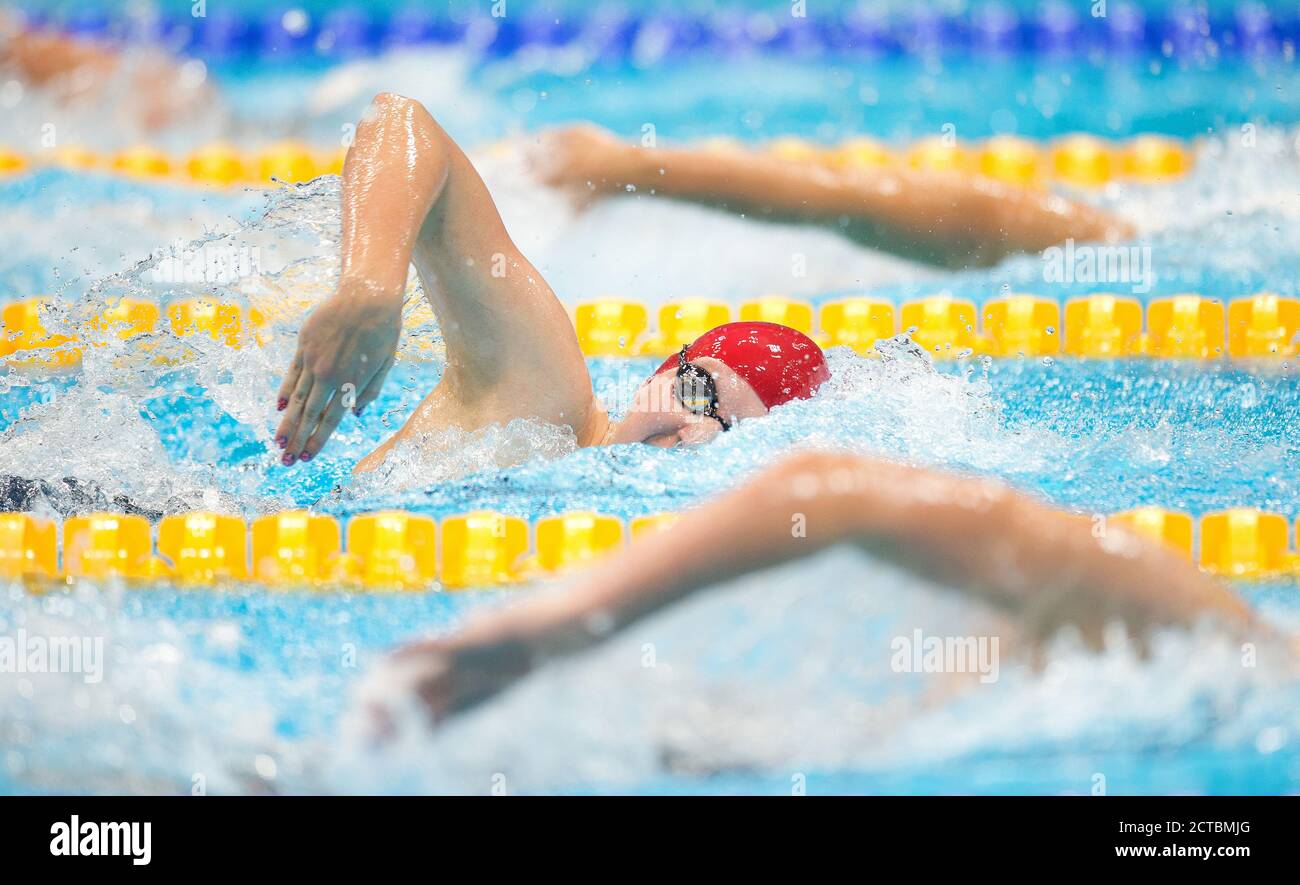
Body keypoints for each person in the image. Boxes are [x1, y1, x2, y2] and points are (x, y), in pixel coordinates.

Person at [272, 92, 1130, 468]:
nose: (687, 422)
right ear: (657, 367)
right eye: (694, 385)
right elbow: (401, 121)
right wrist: (371, 287)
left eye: (723, 423)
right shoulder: (543, 395)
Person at [366, 449, 1262, 731]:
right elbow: (834, 491)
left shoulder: (1247, 660)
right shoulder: (1249, 659)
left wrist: (568, 617)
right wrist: (564, 618)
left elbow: (835, 490)